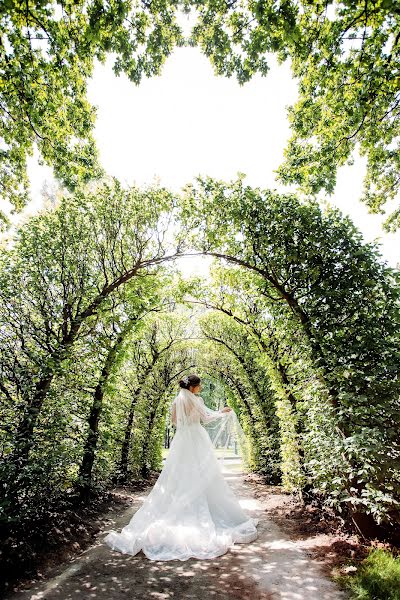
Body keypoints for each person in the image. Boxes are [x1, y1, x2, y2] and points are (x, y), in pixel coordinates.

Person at [103, 374, 258, 560]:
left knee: (177, 474)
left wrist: (186, 423)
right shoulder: (197, 400)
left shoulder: (177, 401)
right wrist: (222, 412)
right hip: (197, 437)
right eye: (199, 385)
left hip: (182, 440)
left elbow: (175, 422)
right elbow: (207, 419)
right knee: (203, 473)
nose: (200, 388)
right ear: (192, 387)